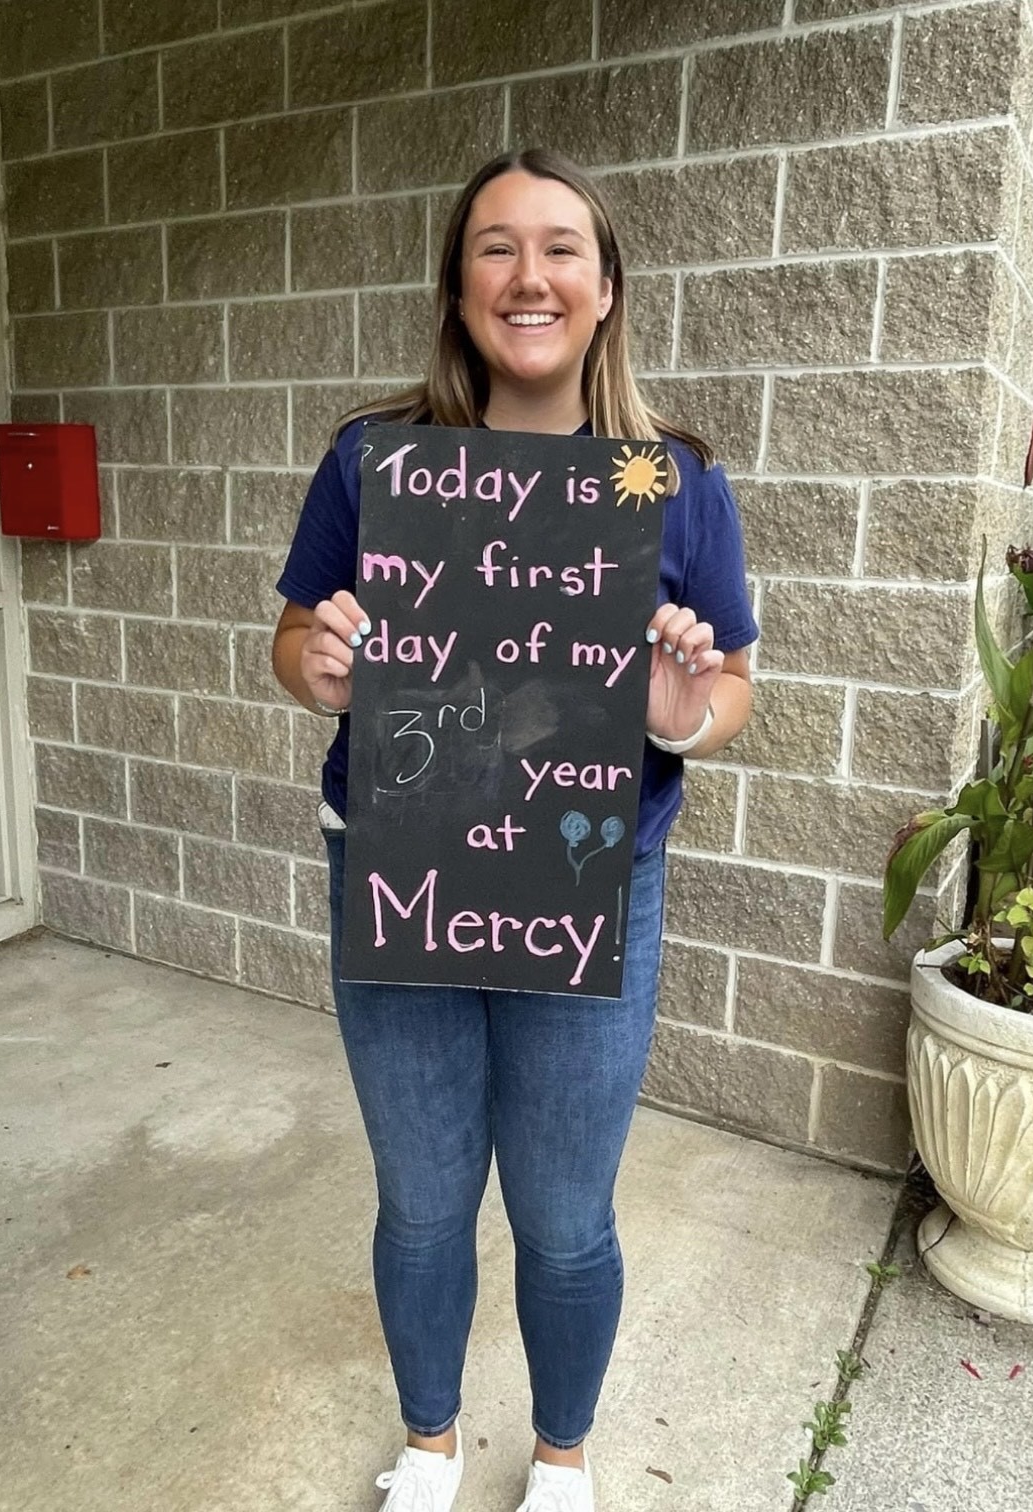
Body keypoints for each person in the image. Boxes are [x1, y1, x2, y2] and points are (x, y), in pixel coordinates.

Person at [271, 148, 757, 1512]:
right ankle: (429, 1448)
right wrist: (319, 666)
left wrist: (679, 711)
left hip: (590, 882)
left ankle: (560, 1462)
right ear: (457, 286)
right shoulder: (378, 463)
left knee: (563, 1214)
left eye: (559, 248)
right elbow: (295, 638)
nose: (527, 276)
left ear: (605, 290)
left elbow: (731, 688)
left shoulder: (670, 484)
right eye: (495, 247)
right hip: (401, 866)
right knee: (423, 1198)